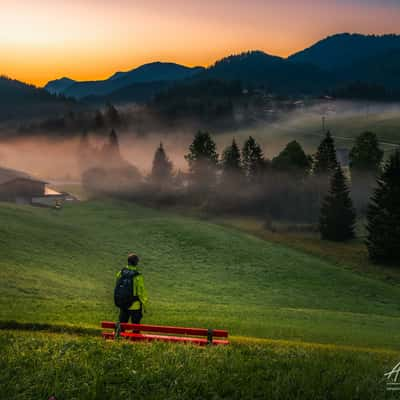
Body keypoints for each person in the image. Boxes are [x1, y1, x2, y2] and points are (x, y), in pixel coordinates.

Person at [114, 253, 148, 324]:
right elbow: (141, 292)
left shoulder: (121, 273)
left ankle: (121, 335)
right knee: (135, 328)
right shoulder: (137, 276)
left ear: (128, 261)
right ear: (136, 263)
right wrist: (145, 306)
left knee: (122, 326)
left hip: (123, 305)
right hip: (135, 306)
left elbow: (117, 287)